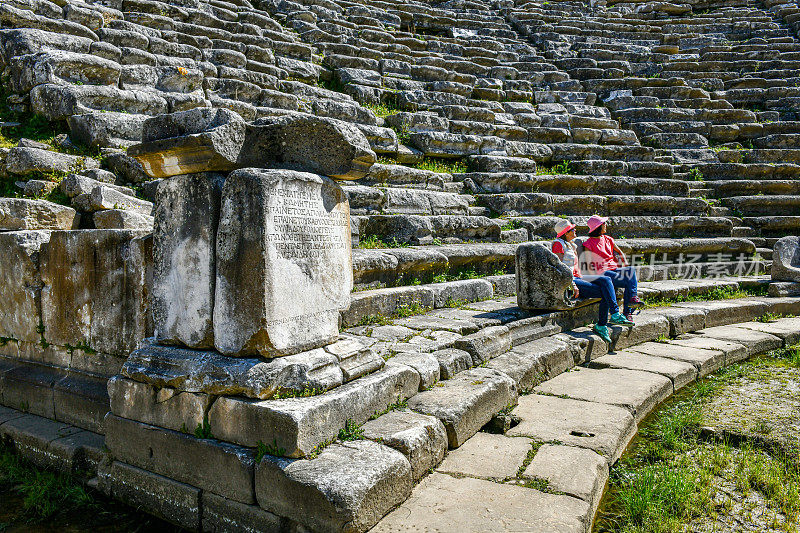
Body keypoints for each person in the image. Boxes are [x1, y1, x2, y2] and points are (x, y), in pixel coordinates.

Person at [552, 219, 633, 344]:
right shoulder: (558, 244)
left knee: (606, 284)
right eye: (572, 229)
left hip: (580, 277)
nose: (575, 230)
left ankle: (603, 324)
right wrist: (572, 284)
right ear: (566, 232)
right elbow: (560, 267)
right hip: (571, 281)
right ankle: (612, 317)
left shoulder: (571, 244)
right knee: (606, 285)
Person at [581, 215, 643, 322]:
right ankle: (628, 312)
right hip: (602, 272)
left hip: (614, 268)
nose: (606, 225)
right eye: (603, 223)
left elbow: (619, 252)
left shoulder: (609, 239)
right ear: (598, 227)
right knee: (629, 281)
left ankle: (632, 300)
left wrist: (625, 265)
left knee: (631, 270)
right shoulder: (588, 244)